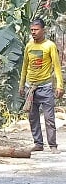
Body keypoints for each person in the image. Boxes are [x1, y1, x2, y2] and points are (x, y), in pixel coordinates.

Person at [19, 18, 63, 153]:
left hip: (46, 87)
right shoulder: (28, 46)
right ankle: (38, 143)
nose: (33, 32)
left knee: (49, 118)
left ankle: (53, 145)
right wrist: (21, 85)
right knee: (33, 117)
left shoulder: (50, 46)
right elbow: (24, 66)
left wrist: (60, 86)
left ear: (43, 30)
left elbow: (56, 66)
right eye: (32, 30)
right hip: (30, 88)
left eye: (36, 29)